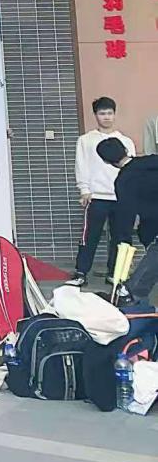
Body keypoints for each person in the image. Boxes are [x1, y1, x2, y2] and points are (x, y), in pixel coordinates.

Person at [69, 97, 136, 286]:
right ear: (95, 115)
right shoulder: (85, 140)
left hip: (122, 197)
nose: (106, 117)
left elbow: (132, 169)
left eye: (109, 113)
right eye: (102, 113)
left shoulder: (126, 141)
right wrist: (84, 190)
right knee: (90, 236)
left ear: (114, 115)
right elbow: (81, 165)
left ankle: (116, 274)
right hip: (96, 196)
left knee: (122, 237)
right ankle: (81, 272)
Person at [97, 139, 158, 306]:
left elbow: (126, 214)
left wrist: (124, 240)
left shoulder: (123, 181)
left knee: (155, 254)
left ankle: (131, 293)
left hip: (153, 223)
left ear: (106, 161)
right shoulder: (152, 160)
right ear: (125, 149)